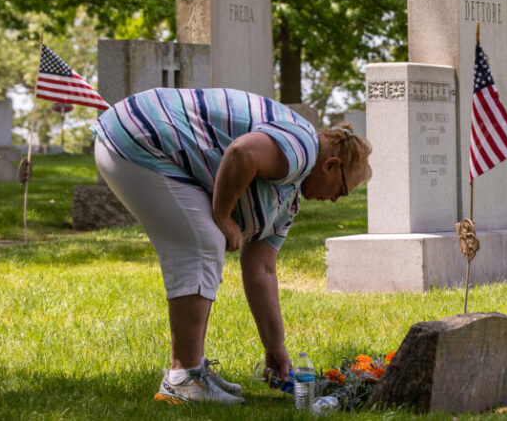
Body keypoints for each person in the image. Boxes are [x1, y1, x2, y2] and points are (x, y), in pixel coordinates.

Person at [91, 87, 372, 405]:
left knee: (203, 239)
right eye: (343, 191)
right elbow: (242, 152)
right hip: (137, 135)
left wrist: (274, 348)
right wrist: (223, 216)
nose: (335, 199)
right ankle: (183, 378)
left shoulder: (286, 202)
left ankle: (193, 370)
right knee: (203, 241)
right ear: (331, 165)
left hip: (138, 141)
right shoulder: (303, 147)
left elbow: (261, 270)